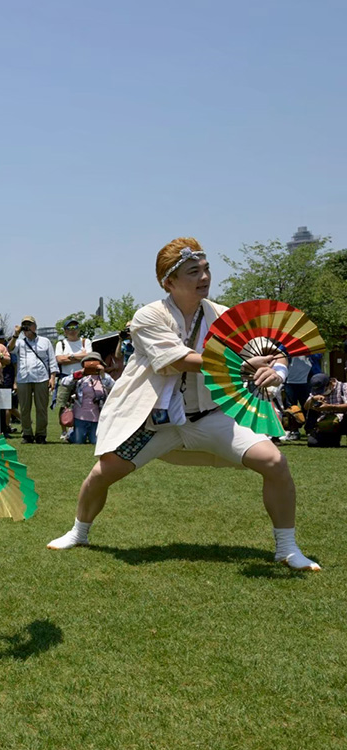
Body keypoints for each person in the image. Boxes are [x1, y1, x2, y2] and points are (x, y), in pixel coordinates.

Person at [46, 238, 320, 571]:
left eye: (206, 270)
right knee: (101, 475)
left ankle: (287, 548)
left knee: (274, 462)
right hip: (156, 420)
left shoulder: (223, 315)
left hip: (211, 416)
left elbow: (272, 350)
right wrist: (247, 365)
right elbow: (182, 359)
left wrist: (276, 371)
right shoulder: (148, 316)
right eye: (193, 272)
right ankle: (79, 532)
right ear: (169, 282)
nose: (204, 277)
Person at [12, 315, 58, 444]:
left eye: (29, 324)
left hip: (41, 377)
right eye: (24, 325)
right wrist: (16, 334)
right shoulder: (19, 342)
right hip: (23, 378)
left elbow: (52, 360)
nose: (27, 327)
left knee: (41, 408)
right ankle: (27, 434)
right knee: (25, 408)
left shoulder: (45, 341)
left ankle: (41, 435)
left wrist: (52, 377)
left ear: (35, 327)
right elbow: (10, 349)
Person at [56, 352, 115, 445]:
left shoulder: (104, 377)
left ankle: (86, 433)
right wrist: (80, 373)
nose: (91, 364)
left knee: (95, 441)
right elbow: (64, 382)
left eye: (94, 361)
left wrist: (102, 374)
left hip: (97, 415)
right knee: (78, 441)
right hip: (80, 415)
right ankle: (71, 433)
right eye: (88, 361)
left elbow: (113, 386)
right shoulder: (81, 377)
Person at [304, 373, 347, 447]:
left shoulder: (344, 387)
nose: (322, 392)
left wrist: (329, 407)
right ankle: (332, 438)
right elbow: (306, 407)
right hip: (325, 422)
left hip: (343, 420)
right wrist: (312, 399)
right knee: (313, 443)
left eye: (324, 389)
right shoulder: (315, 391)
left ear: (331, 383)